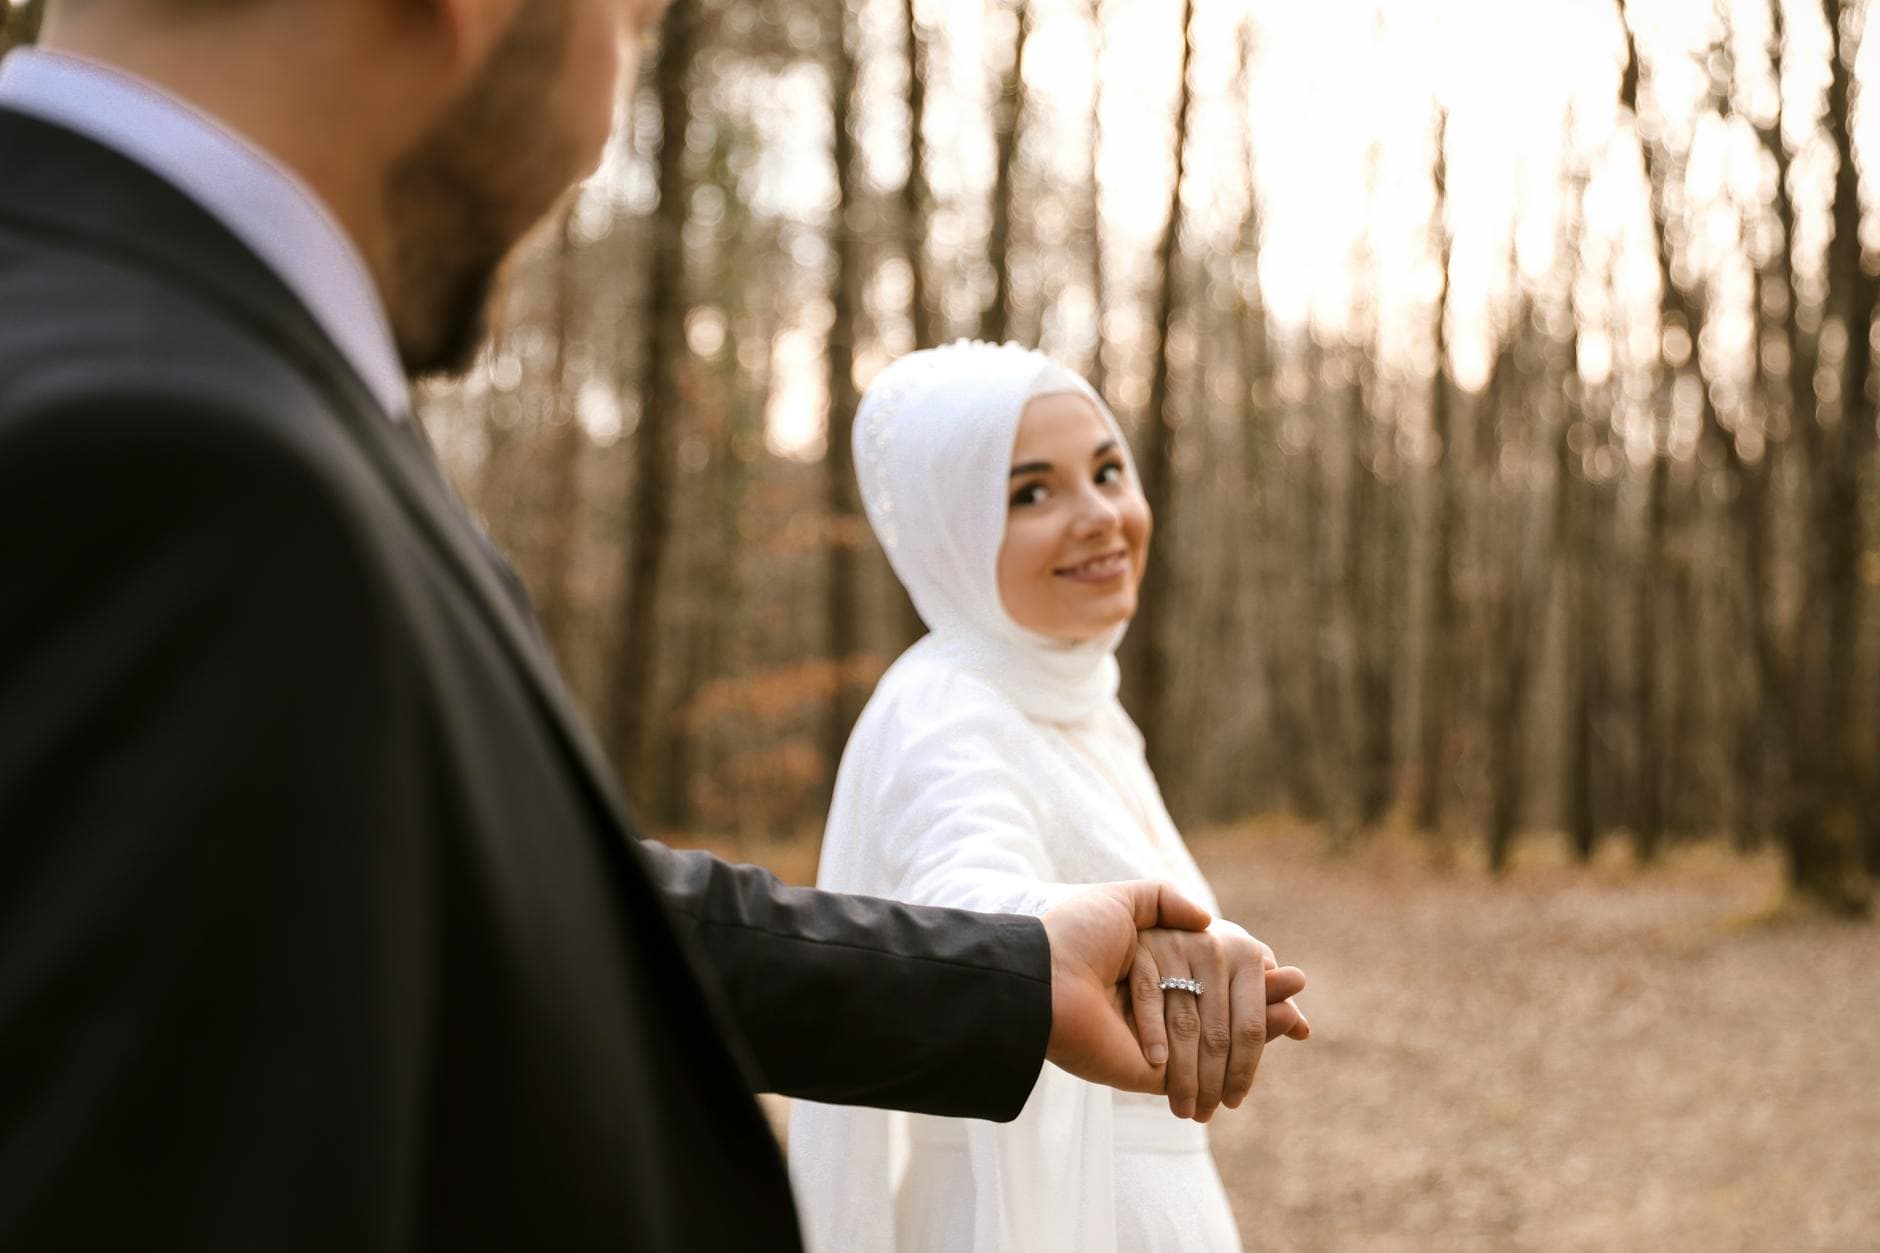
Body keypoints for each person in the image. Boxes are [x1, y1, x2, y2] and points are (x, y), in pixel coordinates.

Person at [0, 3, 1289, 1249]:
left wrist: (998, 977)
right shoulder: (159, 446)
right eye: (627, 21)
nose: (604, 122)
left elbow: (495, 896)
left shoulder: (184, 368)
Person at [788, 343, 1309, 1252]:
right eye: (1031, 492)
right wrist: (1077, 936)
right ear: (952, 528)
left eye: (1109, 471)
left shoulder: (1078, 699)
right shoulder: (947, 706)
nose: (1101, 515)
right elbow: (965, 890)